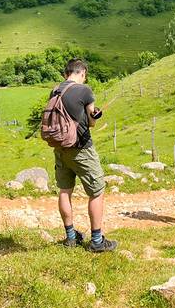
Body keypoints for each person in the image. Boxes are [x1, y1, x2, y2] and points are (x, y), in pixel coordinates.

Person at [51, 59, 117, 252]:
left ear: (66, 74)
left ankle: (71, 238)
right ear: (82, 73)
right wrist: (95, 115)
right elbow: (91, 123)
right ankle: (97, 241)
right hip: (81, 148)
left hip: (60, 149)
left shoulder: (55, 90)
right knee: (97, 191)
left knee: (65, 190)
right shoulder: (85, 90)